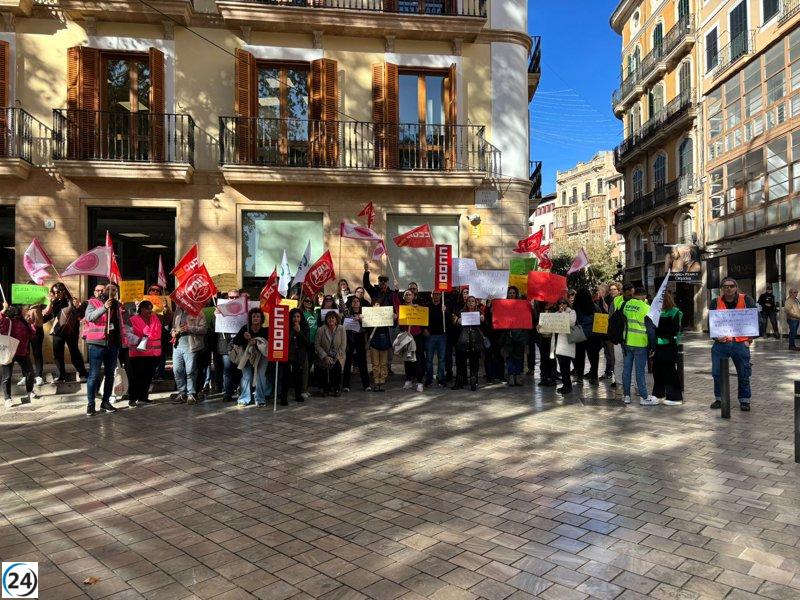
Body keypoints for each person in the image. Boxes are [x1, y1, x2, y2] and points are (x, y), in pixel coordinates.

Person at [710, 277, 757, 411]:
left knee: (743, 372)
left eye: (731, 286)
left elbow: (755, 320)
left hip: (740, 343)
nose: (728, 288)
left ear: (736, 287)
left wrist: (749, 339)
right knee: (716, 373)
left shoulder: (746, 299)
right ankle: (719, 399)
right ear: (722, 289)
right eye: (725, 286)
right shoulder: (715, 301)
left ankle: (744, 400)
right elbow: (712, 323)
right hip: (721, 344)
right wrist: (716, 337)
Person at [83, 282, 129, 416]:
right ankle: (91, 404)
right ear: (103, 291)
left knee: (110, 375)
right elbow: (90, 317)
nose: (111, 291)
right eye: (109, 289)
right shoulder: (93, 302)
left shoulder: (118, 305)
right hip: (97, 343)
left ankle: (105, 402)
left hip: (113, 344)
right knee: (94, 375)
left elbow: (123, 322)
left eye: (114, 290)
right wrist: (104, 307)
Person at [42, 282, 88, 383]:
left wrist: (78, 306)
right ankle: (60, 376)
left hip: (71, 330)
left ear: (63, 291)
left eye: (58, 292)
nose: (55, 294)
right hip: (58, 331)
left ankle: (83, 374)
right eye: (53, 292)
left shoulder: (72, 301)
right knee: (57, 354)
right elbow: (45, 315)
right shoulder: (53, 302)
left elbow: (80, 316)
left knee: (74, 352)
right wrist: (50, 303)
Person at [621, 287, 656, 406]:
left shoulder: (626, 305)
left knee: (626, 370)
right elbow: (650, 330)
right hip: (640, 343)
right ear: (644, 296)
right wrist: (652, 347)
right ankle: (644, 396)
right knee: (640, 371)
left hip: (627, 342)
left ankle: (626, 396)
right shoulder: (646, 308)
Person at [171, 305, 208, 405]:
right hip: (177, 345)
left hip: (191, 346)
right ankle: (182, 392)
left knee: (190, 371)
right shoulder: (178, 311)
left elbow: (204, 329)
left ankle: (191, 393)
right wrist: (173, 332)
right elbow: (173, 327)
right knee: (177, 370)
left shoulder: (198, 311)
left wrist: (189, 328)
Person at [232, 308, 269, 407]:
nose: (256, 318)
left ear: (261, 319)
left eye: (258, 316)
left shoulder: (265, 330)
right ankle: (244, 399)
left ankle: (260, 399)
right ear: (250, 318)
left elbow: (267, 346)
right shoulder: (245, 328)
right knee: (246, 376)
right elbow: (235, 341)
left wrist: (256, 343)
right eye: (253, 316)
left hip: (261, 356)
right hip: (247, 355)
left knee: (260, 376)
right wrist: (243, 337)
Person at [1, 303, 36, 408]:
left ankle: (30, 391)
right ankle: (7, 398)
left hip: (22, 351)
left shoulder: (23, 322)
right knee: (7, 376)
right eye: (24, 309)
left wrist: (31, 324)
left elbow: (31, 335)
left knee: (29, 372)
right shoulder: (7, 321)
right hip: (9, 351)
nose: (26, 311)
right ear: (18, 311)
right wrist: (3, 310)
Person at [127, 300, 162, 407]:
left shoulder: (155, 318)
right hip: (138, 353)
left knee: (147, 376)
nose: (149, 310)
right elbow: (127, 334)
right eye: (147, 308)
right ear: (141, 309)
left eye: (150, 308)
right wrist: (138, 340)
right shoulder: (133, 319)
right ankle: (132, 399)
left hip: (153, 353)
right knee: (135, 377)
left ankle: (144, 397)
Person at [651, 291, 683, 406]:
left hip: (669, 345)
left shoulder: (675, 312)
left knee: (669, 371)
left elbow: (674, 330)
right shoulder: (656, 313)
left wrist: (658, 331)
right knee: (657, 370)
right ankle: (658, 394)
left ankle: (675, 397)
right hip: (658, 345)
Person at [214, 289, 243, 401]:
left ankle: (241, 391)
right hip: (226, 344)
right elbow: (213, 327)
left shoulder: (244, 310)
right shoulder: (220, 310)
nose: (234, 299)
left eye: (236, 297)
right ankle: (227, 393)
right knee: (227, 370)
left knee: (240, 369)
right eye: (231, 297)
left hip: (240, 344)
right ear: (227, 298)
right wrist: (216, 316)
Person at [280, 308, 312, 405]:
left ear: (301, 318)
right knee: (285, 376)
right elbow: (285, 341)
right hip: (287, 355)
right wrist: (293, 331)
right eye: (294, 316)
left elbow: (307, 343)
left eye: (298, 316)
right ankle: (283, 397)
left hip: (299, 356)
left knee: (297, 376)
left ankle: (298, 395)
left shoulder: (305, 327)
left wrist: (299, 332)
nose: (296, 319)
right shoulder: (286, 326)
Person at [452, 295, 485, 391]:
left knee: (474, 362)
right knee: (460, 362)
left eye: (472, 301)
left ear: (476, 303)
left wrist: (483, 320)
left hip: (475, 342)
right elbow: (455, 326)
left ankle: (473, 381)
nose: (471, 303)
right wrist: (457, 321)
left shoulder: (479, 313)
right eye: (469, 301)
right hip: (463, 341)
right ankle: (460, 381)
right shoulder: (462, 312)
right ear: (466, 303)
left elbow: (485, 327)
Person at [499, 287, 527, 387]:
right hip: (508, 336)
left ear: (516, 294)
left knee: (519, 357)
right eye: (510, 293)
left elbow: (525, 319)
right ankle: (511, 376)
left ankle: (518, 376)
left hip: (519, 335)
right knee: (509, 357)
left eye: (513, 293)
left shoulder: (521, 305)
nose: (511, 295)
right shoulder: (503, 305)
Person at [572, 288, 601, 385]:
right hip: (593, 336)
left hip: (579, 336)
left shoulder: (575, 308)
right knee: (593, 357)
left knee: (579, 357)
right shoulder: (595, 307)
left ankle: (579, 376)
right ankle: (594, 376)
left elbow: (572, 322)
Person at [398, 289, 425, 392]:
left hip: (417, 336)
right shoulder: (401, 308)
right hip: (406, 336)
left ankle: (419, 382)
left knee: (418, 359)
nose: (408, 296)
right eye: (406, 295)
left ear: (413, 296)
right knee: (407, 359)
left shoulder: (418, 308)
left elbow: (423, 319)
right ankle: (408, 380)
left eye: (410, 295)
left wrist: (417, 310)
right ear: (404, 297)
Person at [610, 283, 634, 397]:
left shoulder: (638, 302)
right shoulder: (616, 301)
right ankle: (619, 385)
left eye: (632, 294)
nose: (631, 296)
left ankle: (632, 386)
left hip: (633, 337)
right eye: (629, 294)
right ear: (623, 292)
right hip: (619, 337)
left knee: (630, 363)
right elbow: (610, 319)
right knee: (619, 361)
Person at [315, 311, 346, 397]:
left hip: (338, 355)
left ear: (336, 320)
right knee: (324, 368)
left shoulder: (341, 329)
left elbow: (343, 345)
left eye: (333, 318)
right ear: (326, 319)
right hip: (324, 355)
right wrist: (325, 356)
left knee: (337, 367)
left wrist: (336, 357)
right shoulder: (321, 329)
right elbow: (317, 345)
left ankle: (336, 388)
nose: (331, 319)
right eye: (329, 318)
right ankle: (325, 389)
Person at [342, 296, 370, 392]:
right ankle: (345, 385)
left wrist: (362, 321)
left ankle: (366, 385)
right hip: (349, 340)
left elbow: (368, 328)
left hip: (360, 339)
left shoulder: (364, 314)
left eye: (357, 301)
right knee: (347, 362)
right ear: (351, 303)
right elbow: (342, 326)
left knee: (362, 362)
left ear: (360, 303)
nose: (355, 303)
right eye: (353, 301)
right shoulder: (347, 314)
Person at [424, 291, 448, 388]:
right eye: (434, 294)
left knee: (441, 359)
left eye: (438, 294)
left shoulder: (444, 306)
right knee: (429, 359)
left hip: (442, 336)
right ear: (431, 295)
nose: (436, 295)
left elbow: (450, 320)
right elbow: (422, 319)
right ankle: (429, 379)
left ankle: (441, 379)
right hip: (430, 336)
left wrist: (446, 311)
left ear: (440, 296)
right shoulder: (427, 306)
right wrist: (424, 329)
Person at [367, 300, 392, 392]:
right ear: (372, 306)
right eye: (375, 305)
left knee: (384, 363)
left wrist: (394, 318)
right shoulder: (369, 315)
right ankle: (376, 381)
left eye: (378, 304)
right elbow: (365, 327)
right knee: (375, 364)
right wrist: (363, 319)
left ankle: (382, 381)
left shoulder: (386, 315)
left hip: (384, 342)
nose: (377, 306)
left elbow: (393, 325)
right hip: (374, 342)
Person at [535, 302, 557, 387]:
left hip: (552, 338)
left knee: (552, 358)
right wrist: (537, 327)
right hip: (542, 338)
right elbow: (536, 325)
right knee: (543, 358)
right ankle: (544, 378)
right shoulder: (539, 312)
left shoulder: (555, 312)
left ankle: (552, 377)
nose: (548, 303)